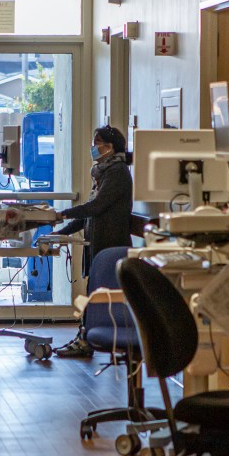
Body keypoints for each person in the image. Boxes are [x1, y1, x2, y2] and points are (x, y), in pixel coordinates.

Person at [52, 125, 133, 357]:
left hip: (110, 245)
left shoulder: (117, 173)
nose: (94, 148)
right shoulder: (103, 172)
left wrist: (63, 214)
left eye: (97, 143)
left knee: (100, 294)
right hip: (97, 243)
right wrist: (64, 232)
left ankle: (88, 340)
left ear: (110, 147)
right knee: (93, 291)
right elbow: (90, 213)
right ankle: (85, 338)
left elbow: (96, 207)